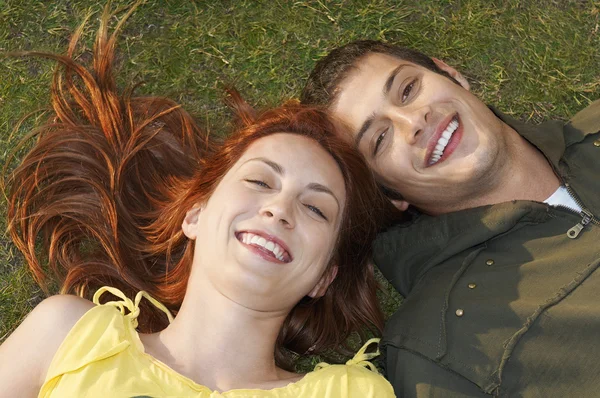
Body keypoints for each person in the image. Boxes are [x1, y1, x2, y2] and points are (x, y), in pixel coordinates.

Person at [0, 8, 397, 397]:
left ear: (324, 277)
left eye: (315, 209)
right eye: (260, 180)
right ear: (195, 214)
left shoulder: (348, 393)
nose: (279, 209)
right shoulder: (67, 334)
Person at [301, 40, 600, 397]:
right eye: (380, 138)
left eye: (408, 89)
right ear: (389, 194)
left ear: (450, 73)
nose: (414, 122)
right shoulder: (441, 355)